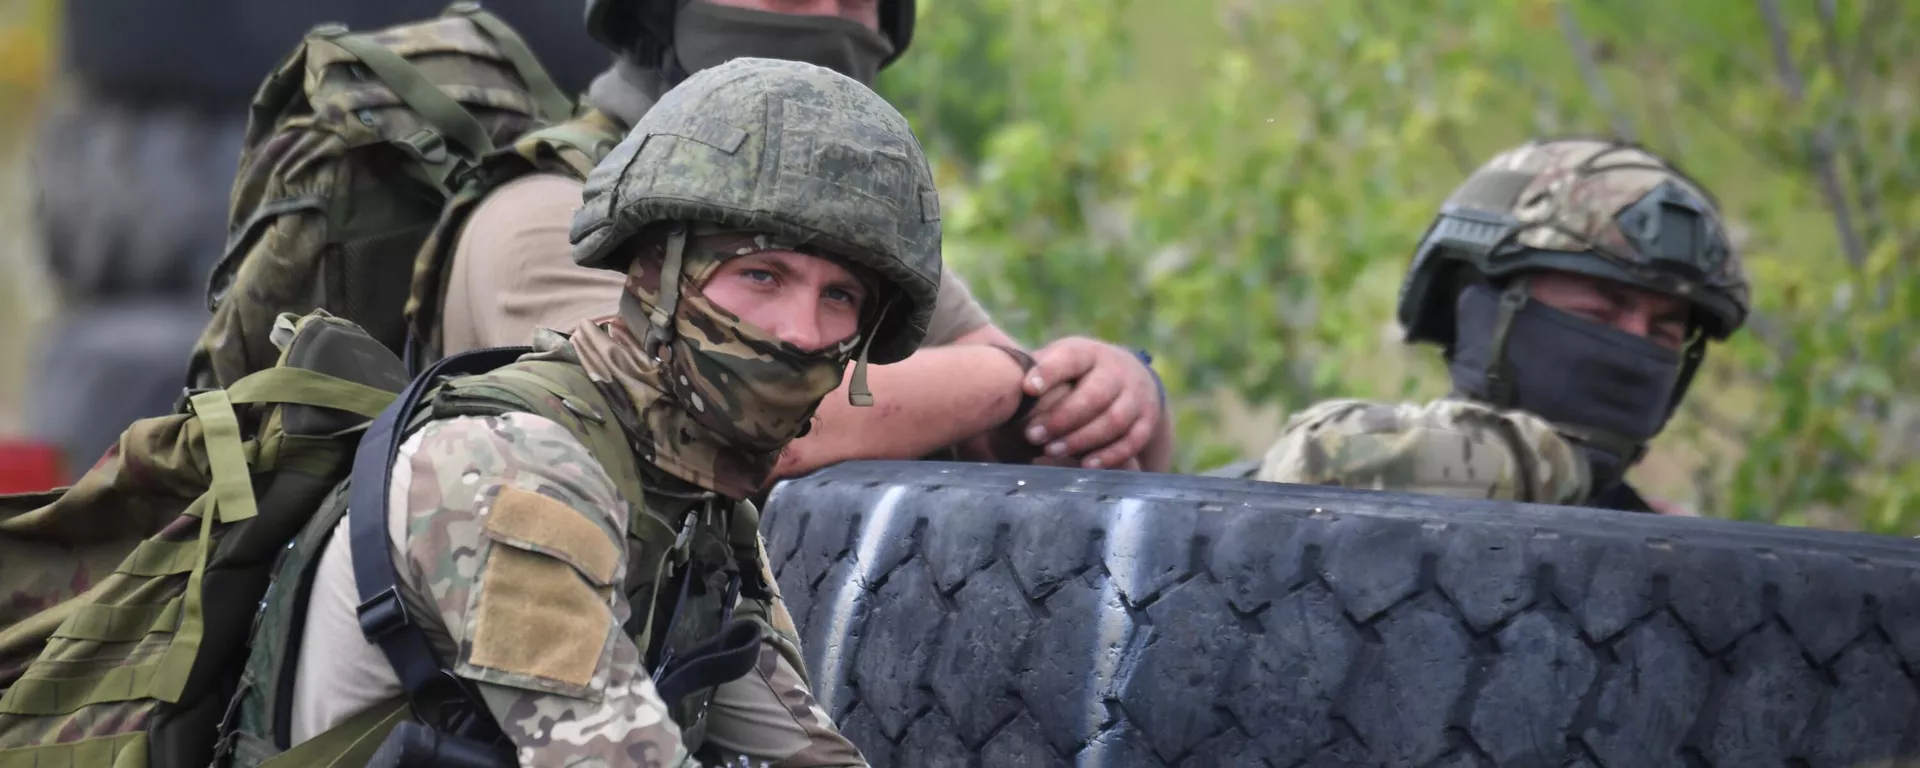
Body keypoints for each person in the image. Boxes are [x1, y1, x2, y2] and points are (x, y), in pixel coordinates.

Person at [285, 57, 929, 765]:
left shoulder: (699, 503)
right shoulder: (509, 468)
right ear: (657, 275)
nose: (802, 332)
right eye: (760, 274)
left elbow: (806, 751)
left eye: (839, 297)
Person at [431, 0, 1174, 481]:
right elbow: (716, 425)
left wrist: (1113, 397)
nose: (827, 15)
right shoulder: (545, 212)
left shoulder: (838, 230)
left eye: (856, 2)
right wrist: (1002, 380)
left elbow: (1030, 431)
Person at [1254, 137, 1748, 514]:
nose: (1635, 339)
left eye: (1663, 332)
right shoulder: (1375, 479)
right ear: (1484, 309)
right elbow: (1319, 462)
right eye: (1600, 313)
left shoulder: (1663, 547)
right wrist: (1556, 465)